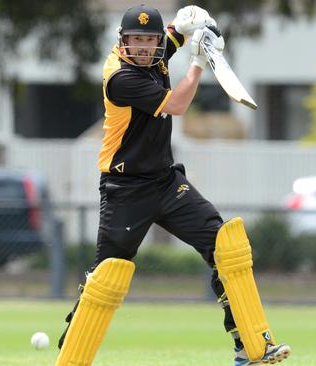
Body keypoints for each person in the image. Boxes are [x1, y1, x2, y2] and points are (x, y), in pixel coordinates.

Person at [55, 5, 291, 366]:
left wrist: (192, 27)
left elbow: (174, 39)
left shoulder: (154, 53)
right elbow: (178, 104)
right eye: (138, 40)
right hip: (125, 190)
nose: (146, 47)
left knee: (225, 246)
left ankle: (250, 346)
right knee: (107, 278)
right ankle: (72, 352)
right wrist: (198, 64)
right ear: (123, 42)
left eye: (151, 40)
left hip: (166, 182)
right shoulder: (121, 77)